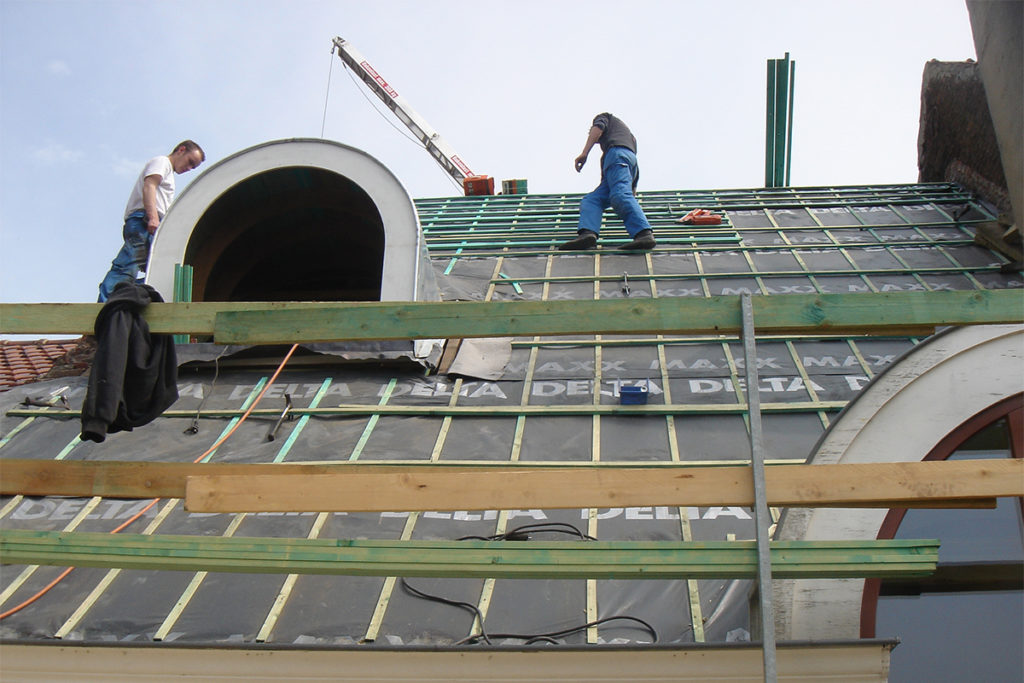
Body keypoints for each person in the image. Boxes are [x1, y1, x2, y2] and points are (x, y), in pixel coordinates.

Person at [97, 140, 205, 302]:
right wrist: (153, 218)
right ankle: (105, 303)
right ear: (181, 150)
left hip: (150, 225)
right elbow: (150, 185)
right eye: (190, 162)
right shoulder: (162, 162)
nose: (189, 169)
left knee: (155, 273)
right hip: (144, 221)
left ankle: (128, 297)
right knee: (128, 266)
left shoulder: (169, 173)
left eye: (193, 167)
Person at [559, 113, 655, 251]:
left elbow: (598, 128)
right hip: (627, 164)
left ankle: (643, 233)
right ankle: (588, 234)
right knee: (592, 200)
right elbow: (631, 172)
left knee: (620, 195)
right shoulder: (628, 137)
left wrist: (584, 153)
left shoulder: (605, 118)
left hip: (617, 157)